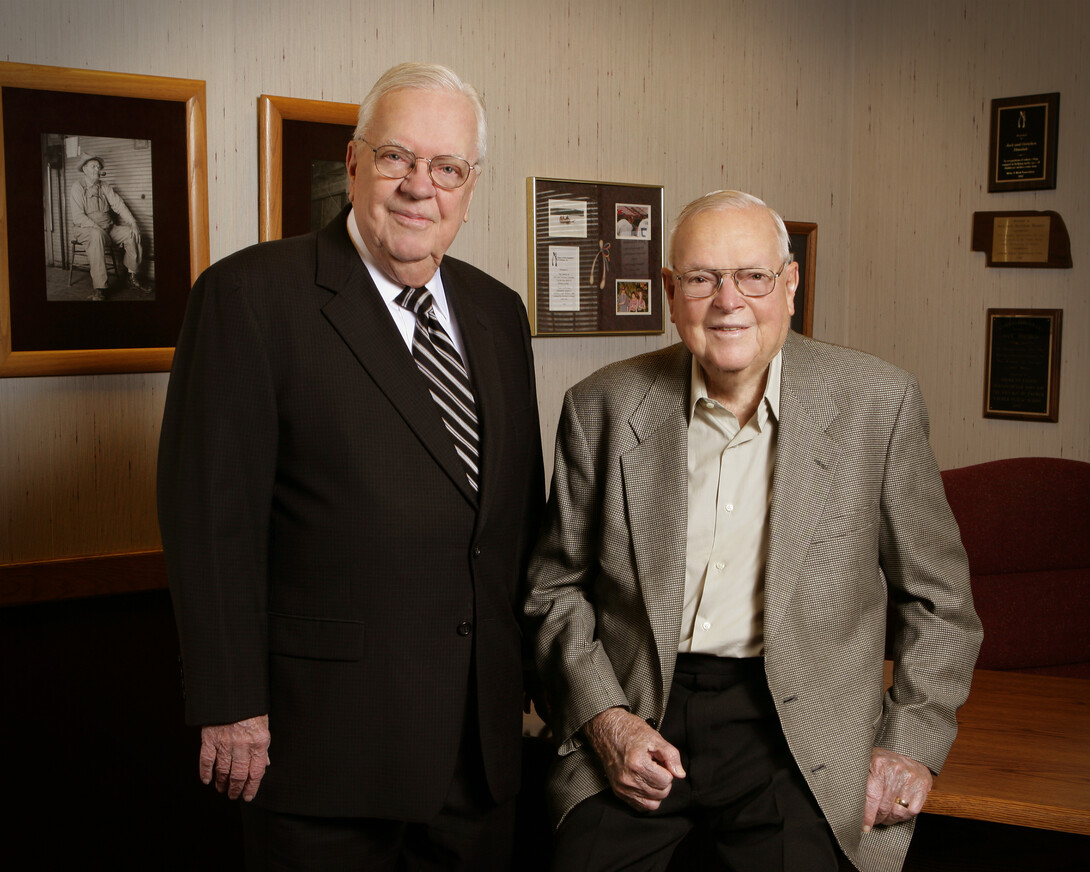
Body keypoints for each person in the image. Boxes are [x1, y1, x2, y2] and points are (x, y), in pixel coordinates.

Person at [158, 62, 545, 871]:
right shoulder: (248, 297)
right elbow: (209, 520)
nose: (419, 187)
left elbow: (510, 529)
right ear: (354, 163)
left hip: (478, 758)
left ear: (471, 187)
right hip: (322, 752)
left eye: (447, 168)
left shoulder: (499, 312)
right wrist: (231, 708)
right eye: (397, 157)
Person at [524, 190, 981, 872]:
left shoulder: (876, 404)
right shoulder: (603, 406)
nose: (728, 301)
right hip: (642, 706)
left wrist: (909, 743)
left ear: (789, 285)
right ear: (673, 293)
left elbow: (941, 602)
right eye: (703, 279)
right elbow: (553, 589)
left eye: (753, 277)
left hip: (797, 732)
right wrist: (607, 720)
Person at [69, 154, 147, 299]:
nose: (97, 169)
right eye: (93, 166)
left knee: (132, 233)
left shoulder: (104, 186)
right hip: (86, 229)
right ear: (84, 169)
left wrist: (133, 223)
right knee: (96, 235)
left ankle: (131, 276)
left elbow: (119, 205)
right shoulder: (77, 187)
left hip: (108, 228)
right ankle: (99, 288)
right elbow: (78, 217)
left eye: (98, 167)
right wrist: (97, 229)